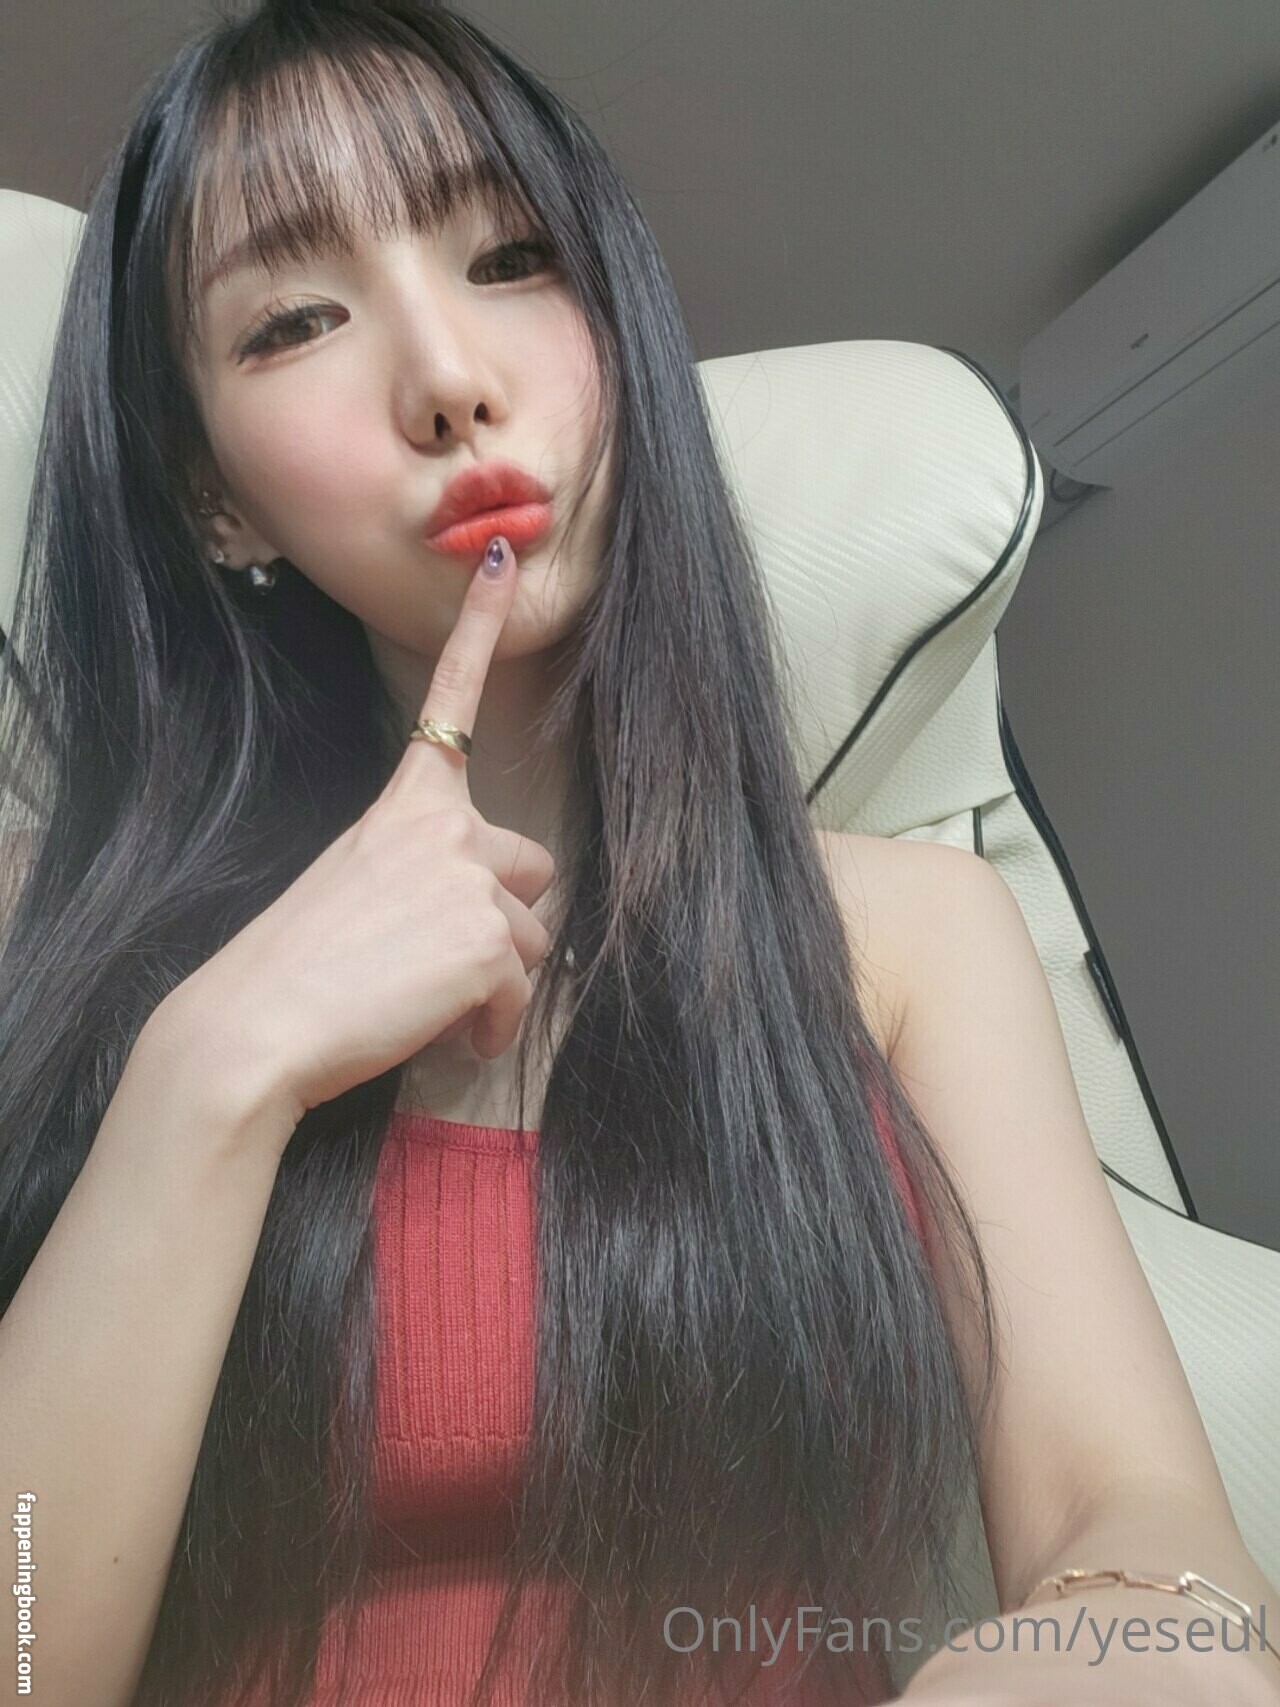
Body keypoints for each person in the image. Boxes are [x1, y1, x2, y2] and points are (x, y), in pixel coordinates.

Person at [2, 5, 1276, 1707]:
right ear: (211, 494)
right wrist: (217, 1065)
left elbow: (1153, 1550)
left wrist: (1107, 1656)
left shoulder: (906, 934)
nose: (448, 378)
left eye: (512, 257)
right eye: (295, 320)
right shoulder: (48, 938)